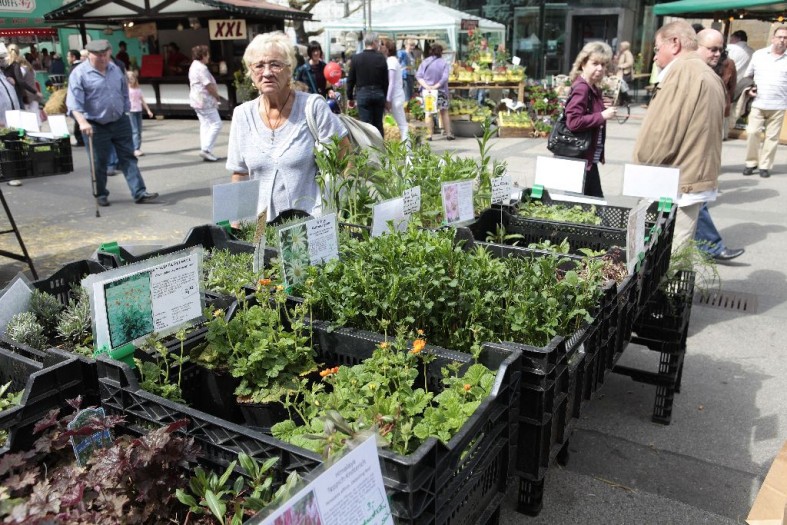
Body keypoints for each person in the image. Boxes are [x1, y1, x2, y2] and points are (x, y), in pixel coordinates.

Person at [226, 32, 350, 222]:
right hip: (261, 229)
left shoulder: (312, 107)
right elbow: (240, 174)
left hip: (311, 225)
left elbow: (346, 159)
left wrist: (341, 212)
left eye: (275, 64)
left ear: (289, 70)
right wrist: (236, 225)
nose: (267, 72)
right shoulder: (242, 115)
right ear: (251, 72)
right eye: (259, 65)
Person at [632, 21, 726, 252]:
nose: (655, 56)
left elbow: (661, 134)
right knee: (677, 250)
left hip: (676, 179)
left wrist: (640, 168)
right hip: (691, 176)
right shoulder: (706, 73)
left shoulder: (682, 72)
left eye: (657, 48)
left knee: (665, 254)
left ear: (675, 43)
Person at [67, 39, 158, 207]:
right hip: (94, 123)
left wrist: (126, 109)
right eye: (98, 56)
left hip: (119, 120)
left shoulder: (115, 69)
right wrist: (82, 122)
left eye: (105, 55)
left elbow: (124, 92)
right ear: (89, 55)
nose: (103, 59)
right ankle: (100, 193)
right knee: (98, 162)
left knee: (128, 157)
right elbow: (73, 103)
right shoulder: (79, 73)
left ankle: (139, 192)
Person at [693, 28, 744, 262]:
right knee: (696, 200)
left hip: (703, 148)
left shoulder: (713, 70)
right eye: (711, 49)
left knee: (691, 202)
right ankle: (712, 246)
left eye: (719, 49)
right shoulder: (692, 73)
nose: (716, 54)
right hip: (690, 151)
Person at [564, 41, 618, 198]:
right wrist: (602, 115)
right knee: (587, 203)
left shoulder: (592, 88)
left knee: (586, 203)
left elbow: (587, 111)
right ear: (583, 64)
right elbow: (573, 122)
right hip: (580, 157)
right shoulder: (582, 88)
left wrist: (601, 106)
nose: (600, 68)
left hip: (586, 158)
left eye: (603, 64)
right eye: (595, 63)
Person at [742, 25, 787, 179]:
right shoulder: (759, 55)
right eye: (779, 37)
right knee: (752, 132)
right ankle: (751, 162)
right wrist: (749, 90)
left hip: (778, 104)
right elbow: (748, 76)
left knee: (772, 138)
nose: (782, 40)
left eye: (785, 38)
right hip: (758, 102)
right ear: (773, 39)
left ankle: (765, 166)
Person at [347, 32, 389, 138]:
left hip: (363, 93)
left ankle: (368, 147)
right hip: (378, 93)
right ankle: (380, 147)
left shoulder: (356, 58)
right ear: (374, 42)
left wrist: (349, 97)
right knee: (378, 125)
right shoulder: (381, 58)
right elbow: (385, 81)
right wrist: (385, 96)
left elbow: (351, 80)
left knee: (366, 126)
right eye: (378, 42)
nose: (379, 44)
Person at [188, 44, 223, 162]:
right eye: (207, 54)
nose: (208, 57)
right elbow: (207, 85)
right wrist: (217, 96)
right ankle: (206, 149)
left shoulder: (193, 65)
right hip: (204, 99)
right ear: (203, 55)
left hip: (196, 99)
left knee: (205, 124)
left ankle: (206, 149)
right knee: (216, 124)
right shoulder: (202, 68)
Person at [415, 42, 453, 141]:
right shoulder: (443, 63)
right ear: (441, 52)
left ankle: (429, 135)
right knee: (444, 112)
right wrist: (436, 86)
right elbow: (445, 77)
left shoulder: (425, 62)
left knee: (428, 112)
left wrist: (427, 86)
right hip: (441, 91)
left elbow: (418, 76)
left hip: (427, 92)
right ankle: (448, 133)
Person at [380, 37, 408, 142]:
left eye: (382, 44)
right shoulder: (391, 60)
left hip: (395, 97)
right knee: (401, 124)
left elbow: (391, 82)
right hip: (395, 96)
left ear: (387, 48)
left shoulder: (391, 61)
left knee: (402, 125)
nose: (380, 46)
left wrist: (388, 99)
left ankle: (407, 149)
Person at [6, 45, 41, 117]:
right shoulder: (28, 68)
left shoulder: (10, 66)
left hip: (22, 94)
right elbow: (23, 80)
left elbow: (20, 81)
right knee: (33, 113)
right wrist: (35, 92)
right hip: (28, 93)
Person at [127, 70, 154, 157]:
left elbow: (142, 100)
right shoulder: (126, 90)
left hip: (138, 110)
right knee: (135, 131)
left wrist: (148, 110)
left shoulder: (138, 89)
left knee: (139, 130)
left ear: (135, 79)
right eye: (129, 79)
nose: (131, 80)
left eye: (132, 78)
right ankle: (135, 148)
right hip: (131, 111)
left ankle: (137, 147)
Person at [0, 44, 21, 126]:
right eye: (1, 58)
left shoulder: (3, 75)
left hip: (13, 119)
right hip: (2, 122)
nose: (3, 60)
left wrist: (12, 84)